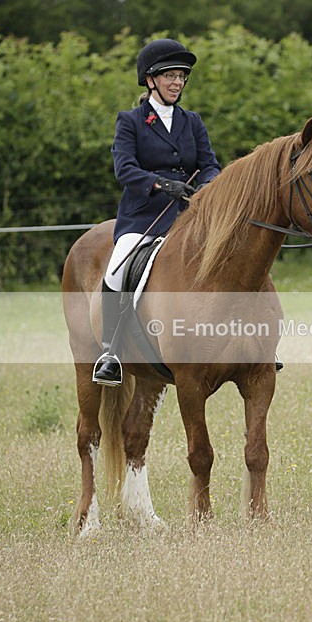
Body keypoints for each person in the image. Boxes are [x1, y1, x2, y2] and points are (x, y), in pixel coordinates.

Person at [93, 38, 221, 386]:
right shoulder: (131, 121)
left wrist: (209, 185)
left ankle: (251, 344)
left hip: (189, 216)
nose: (177, 82)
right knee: (118, 270)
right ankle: (110, 352)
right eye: (170, 76)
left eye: (181, 76)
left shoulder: (192, 121)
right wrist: (164, 186)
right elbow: (125, 169)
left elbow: (210, 164)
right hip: (144, 217)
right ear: (151, 80)